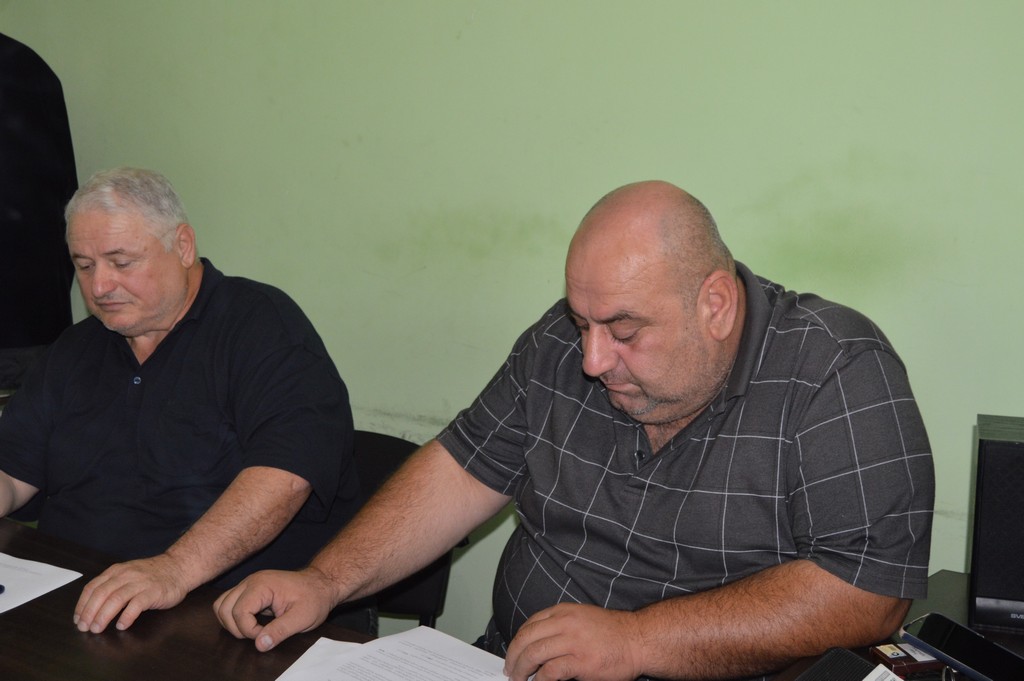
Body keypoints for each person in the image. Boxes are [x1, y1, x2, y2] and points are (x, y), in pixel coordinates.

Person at [215, 180, 934, 681]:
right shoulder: (560, 346)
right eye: (582, 321)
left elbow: (866, 592)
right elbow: (459, 470)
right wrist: (324, 579)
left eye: (624, 330)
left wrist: (638, 640)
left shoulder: (833, 370)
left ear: (715, 304)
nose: (592, 359)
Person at [0, 167, 368, 635]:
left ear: (183, 246)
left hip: (224, 615)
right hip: (76, 599)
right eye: (85, 266)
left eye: (121, 262)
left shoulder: (260, 326)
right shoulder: (76, 348)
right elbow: (12, 472)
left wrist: (175, 569)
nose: (99, 287)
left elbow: (285, 477)